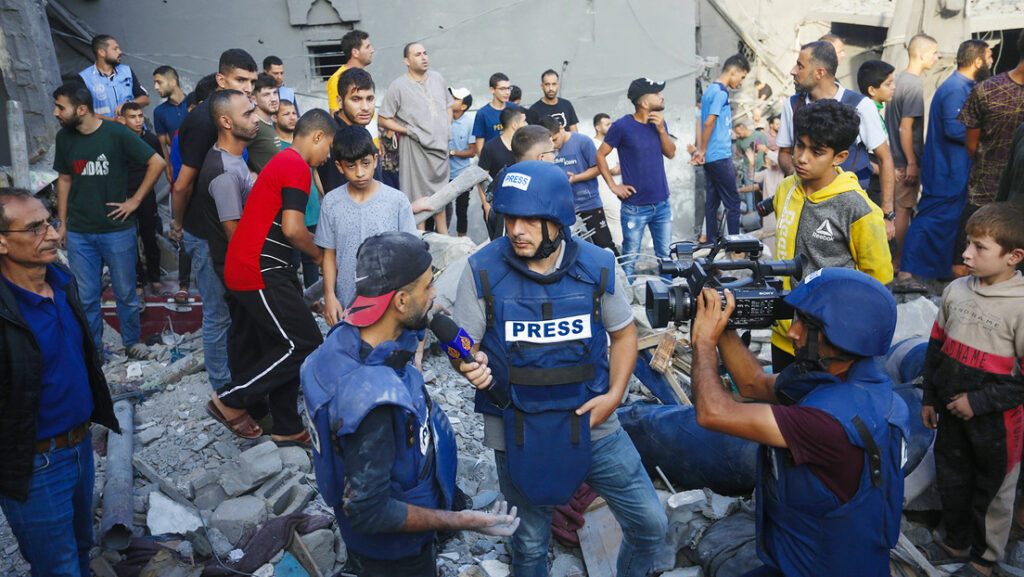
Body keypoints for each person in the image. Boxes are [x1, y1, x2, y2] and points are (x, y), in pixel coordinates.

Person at [453, 161, 667, 576]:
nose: (517, 229)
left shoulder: (596, 266)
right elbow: (464, 346)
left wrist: (614, 396)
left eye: (530, 219)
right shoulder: (482, 271)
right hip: (517, 426)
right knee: (530, 544)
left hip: (592, 421)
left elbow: (624, 336)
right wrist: (467, 362)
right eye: (510, 217)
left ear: (557, 222)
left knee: (650, 524)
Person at [302, 231, 519, 577]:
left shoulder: (340, 342)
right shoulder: (371, 400)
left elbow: (421, 318)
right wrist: (460, 521)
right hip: (396, 556)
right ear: (401, 301)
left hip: (370, 536)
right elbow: (369, 510)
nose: (434, 294)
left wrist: (456, 349)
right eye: (428, 287)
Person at [689, 267, 908, 577]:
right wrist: (724, 325)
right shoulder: (846, 378)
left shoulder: (829, 423)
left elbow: (713, 412)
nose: (793, 332)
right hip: (807, 560)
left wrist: (702, 343)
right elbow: (753, 382)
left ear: (844, 335)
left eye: (808, 325)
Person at [0, 188, 120, 577]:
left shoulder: (62, 282)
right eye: (34, 228)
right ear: (2, 242)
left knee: (82, 548)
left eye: (50, 222)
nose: (52, 234)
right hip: (34, 464)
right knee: (59, 567)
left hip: (80, 448)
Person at [216, 109, 335, 445]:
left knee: (281, 343)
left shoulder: (283, 160)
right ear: (317, 137)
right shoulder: (297, 165)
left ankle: (286, 425)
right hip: (260, 268)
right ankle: (230, 398)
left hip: (253, 265)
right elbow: (294, 230)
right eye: (328, 148)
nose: (327, 157)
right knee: (305, 343)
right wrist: (323, 256)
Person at [921, 203, 1024, 577]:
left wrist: (978, 402)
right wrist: (930, 398)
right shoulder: (955, 291)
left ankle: (984, 560)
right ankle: (955, 541)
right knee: (952, 477)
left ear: (1013, 256)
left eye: (980, 247)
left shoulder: (1020, 308)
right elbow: (936, 348)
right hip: (950, 413)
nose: (966, 254)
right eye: (968, 243)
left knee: (991, 491)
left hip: (996, 426)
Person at [770, 100, 892, 372]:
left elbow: (877, 281)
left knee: (816, 411)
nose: (802, 157)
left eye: (817, 151)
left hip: (828, 346)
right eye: (800, 145)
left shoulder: (858, 209)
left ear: (839, 157)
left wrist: (841, 334)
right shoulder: (787, 189)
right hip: (783, 336)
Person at [52, 82, 166, 359]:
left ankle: (131, 344)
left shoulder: (116, 133)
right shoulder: (64, 138)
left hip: (117, 230)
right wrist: (62, 222)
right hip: (79, 232)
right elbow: (65, 179)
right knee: (87, 297)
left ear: (81, 109)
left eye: (60, 107)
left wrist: (135, 201)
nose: (55, 113)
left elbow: (157, 162)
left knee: (126, 293)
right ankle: (94, 352)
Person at [170, 48, 258, 391]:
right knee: (218, 313)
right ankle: (223, 388)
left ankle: (238, 373)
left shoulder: (240, 115)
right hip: (204, 234)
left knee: (235, 308)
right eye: (241, 80)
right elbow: (181, 185)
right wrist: (178, 226)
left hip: (226, 227)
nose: (249, 88)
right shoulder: (202, 122)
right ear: (221, 80)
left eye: (252, 81)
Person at [778, 41, 896, 241]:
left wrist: (887, 215)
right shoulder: (793, 105)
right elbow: (783, 153)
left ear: (819, 73)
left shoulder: (860, 106)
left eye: (800, 65)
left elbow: (885, 159)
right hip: (805, 207)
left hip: (849, 212)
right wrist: (797, 175)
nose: (793, 71)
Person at [903, 40, 992, 281]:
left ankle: (933, 272)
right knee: (931, 218)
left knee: (948, 223)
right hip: (946, 170)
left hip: (955, 170)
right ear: (978, 61)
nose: (992, 62)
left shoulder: (965, 86)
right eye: (990, 56)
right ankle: (906, 271)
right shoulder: (955, 89)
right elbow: (954, 129)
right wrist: (988, 132)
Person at [316, 124, 417, 324]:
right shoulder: (331, 202)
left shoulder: (397, 201)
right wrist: (329, 295)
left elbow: (409, 254)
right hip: (346, 302)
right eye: (351, 166)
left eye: (365, 163)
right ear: (339, 166)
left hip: (388, 302)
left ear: (376, 160)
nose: (360, 172)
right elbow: (329, 253)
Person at [956, 33, 1024, 277]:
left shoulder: (984, 89)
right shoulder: (986, 91)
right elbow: (971, 145)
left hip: (1008, 198)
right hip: (985, 195)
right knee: (974, 269)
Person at [596, 77, 676, 278]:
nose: (662, 96)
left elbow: (671, 153)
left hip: (662, 204)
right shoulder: (622, 126)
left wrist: (661, 130)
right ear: (644, 103)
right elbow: (600, 155)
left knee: (665, 258)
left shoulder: (658, 122)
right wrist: (614, 186)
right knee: (630, 259)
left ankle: (667, 302)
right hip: (635, 207)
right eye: (657, 94)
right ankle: (628, 306)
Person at [378, 43, 452, 234]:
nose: (424, 57)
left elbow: (448, 106)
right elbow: (383, 118)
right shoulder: (398, 86)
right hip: (415, 149)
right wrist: (408, 131)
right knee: (419, 200)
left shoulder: (438, 78)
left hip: (440, 150)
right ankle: (419, 242)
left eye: (425, 53)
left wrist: (446, 129)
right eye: (418, 54)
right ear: (407, 61)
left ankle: (444, 244)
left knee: (441, 200)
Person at [191, 90, 258, 282]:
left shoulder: (231, 157)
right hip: (236, 273)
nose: (256, 119)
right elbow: (234, 236)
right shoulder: (224, 172)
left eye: (253, 111)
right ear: (226, 122)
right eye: (247, 114)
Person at [886, 34, 939, 276]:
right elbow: (904, 127)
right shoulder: (915, 85)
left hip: (893, 160)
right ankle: (897, 264)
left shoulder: (898, 81)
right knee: (902, 212)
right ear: (921, 54)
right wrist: (911, 162)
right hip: (903, 162)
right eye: (934, 53)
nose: (937, 58)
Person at [118, 102, 165, 295]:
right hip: (123, 197)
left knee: (149, 237)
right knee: (129, 240)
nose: (138, 120)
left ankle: (155, 278)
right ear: (122, 119)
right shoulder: (117, 140)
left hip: (146, 196)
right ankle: (138, 281)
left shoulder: (151, 139)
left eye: (140, 116)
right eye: (132, 117)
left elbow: (159, 165)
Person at [547, 119, 616, 252]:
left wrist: (576, 178)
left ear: (561, 129)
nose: (554, 145)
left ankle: (616, 271)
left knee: (604, 245)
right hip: (563, 209)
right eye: (550, 142)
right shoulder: (547, 149)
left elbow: (598, 168)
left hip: (588, 204)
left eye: (555, 140)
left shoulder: (583, 141)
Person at [483, 125, 558, 241]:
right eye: (553, 151)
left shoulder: (504, 178)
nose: (555, 156)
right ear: (541, 158)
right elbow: (502, 236)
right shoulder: (522, 191)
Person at [316, 67, 382, 196]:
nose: (365, 107)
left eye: (369, 99)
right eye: (356, 99)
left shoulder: (361, 131)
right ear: (340, 101)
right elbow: (336, 197)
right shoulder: (331, 140)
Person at [79, 34, 149, 121]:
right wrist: (113, 121)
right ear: (101, 52)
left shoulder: (126, 71)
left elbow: (145, 99)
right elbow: (83, 112)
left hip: (132, 130)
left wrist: (128, 104)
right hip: (105, 131)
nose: (120, 52)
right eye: (115, 49)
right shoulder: (84, 78)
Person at [856, 59, 896, 208]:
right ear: (872, 90)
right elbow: (857, 154)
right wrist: (882, 169)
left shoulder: (875, 110)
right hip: (869, 184)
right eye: (888, 84)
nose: (893, 87)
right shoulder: (865, 111)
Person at [478, 106, 529, 221]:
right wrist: (486, 206)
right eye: (524, 121)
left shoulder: (526, 147)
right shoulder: (490, 147)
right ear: (514, 125)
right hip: (497, 206)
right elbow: (480, 179)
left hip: (522, 204)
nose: (527, 124)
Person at [153, 65, 188, 185]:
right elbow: (163, 145)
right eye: (155, 83)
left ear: (173, 82)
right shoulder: (159, 112)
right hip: (178, 164)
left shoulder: (193, 103)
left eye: (159, 82)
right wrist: (168, 168)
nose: (155, 87)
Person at [592, 112, 622, 249]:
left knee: (616, 224)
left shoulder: (612, 145)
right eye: (607, 124)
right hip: (603, 192)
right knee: (612, 226)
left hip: (614, 191)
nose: (611, 127)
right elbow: (609, 168)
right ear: (598, 127)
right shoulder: (593, 144)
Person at [448, 87, 475, 237]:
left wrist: (451, 153)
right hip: (442, 174)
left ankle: (461, 241)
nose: (451, 99)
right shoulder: (445, 118)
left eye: (456, 98)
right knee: (439, 209)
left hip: (462, 175)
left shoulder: (469, 123)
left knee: (461, 210)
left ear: (463, 106)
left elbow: (472, 152)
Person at [327, 29, 374, 113]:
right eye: (367, 47)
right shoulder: (337, 79)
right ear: (355, 52)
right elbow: (335, 116)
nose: (372, 50)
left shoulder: (364, 73)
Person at [247, 73, 282, 172]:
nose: (274, 99)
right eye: (266, 94)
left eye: (275, 93)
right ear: (254, 99)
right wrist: (250, 174)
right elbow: (234, 154)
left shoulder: (269, 122)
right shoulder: (252, 124)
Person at [473, 73, 512, 153]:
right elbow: (480, 147)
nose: (507, 92)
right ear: (492, 90)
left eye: (509, 88)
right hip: (493, 161)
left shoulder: (515, 108)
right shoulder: (482, 113)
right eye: (502, 89)